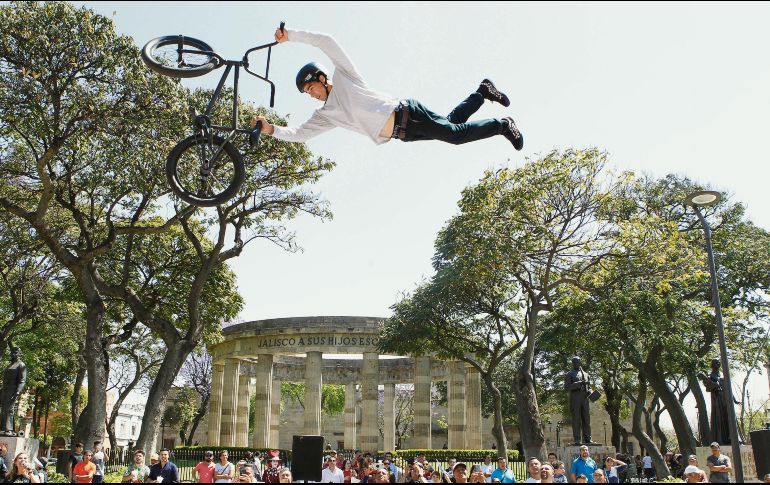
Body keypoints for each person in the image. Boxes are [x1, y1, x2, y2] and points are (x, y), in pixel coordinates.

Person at [250, 27, 524, 154]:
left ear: (322, 78)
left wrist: (293, 37)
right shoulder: (326, 115)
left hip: (407, 113)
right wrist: (271, 129)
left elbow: (326, 41)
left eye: (311, 87)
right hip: (403, 134)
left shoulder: (345, 77)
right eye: (308, 94)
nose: (312, 95)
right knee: (451, 125)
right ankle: (482, 92)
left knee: (454, 136)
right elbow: (300, 134)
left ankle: (502, 126)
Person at [564, 357, 594, 444]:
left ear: (580, 362)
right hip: (575, 399)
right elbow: (567, 387)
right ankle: (577, 439)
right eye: (574, 362)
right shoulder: (569, 374)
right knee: (576, 419)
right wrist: (579, 383)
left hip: (584, 399)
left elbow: (589, 387)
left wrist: (590, 391)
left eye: (577, 362)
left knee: (586, 419)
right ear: (572, 363)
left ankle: (588, 438)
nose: (576, 363)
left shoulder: (586, 374)